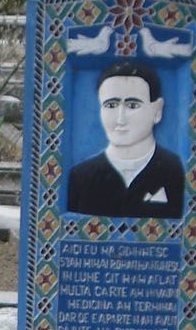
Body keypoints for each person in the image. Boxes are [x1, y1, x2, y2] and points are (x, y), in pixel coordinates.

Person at [66, 62, 184, 219]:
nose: (120, 119)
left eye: (133, 105)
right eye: (111, 105)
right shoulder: (80, 177)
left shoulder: (175, 170)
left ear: (157, 110)